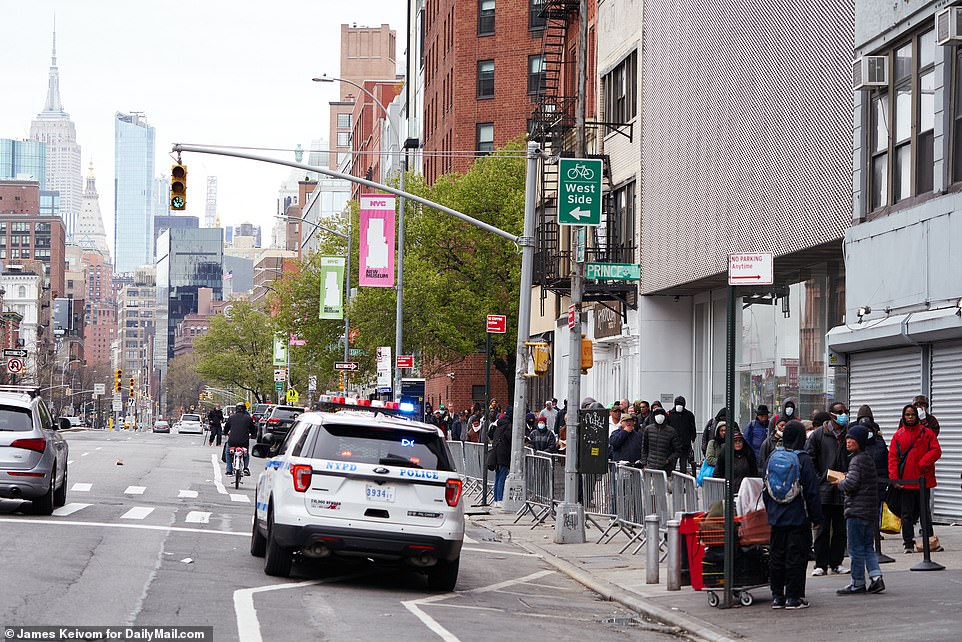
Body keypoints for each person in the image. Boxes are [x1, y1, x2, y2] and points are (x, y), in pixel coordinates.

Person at [765, 420, 823, 610]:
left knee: (777, 556)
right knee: (796, 557)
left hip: (776, 517)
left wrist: (771, 511)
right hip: (798, 516)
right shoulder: (803, 459)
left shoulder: (773, 456)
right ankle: (793, 597)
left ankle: (777, 596)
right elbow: (812, 492)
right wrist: (816, 518)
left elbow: (766, 487)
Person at [833, 424, 885, 595]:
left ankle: (857, 582)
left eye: (852, 439)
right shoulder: (867, 458)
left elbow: (851, 483)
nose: (848, 441)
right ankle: (876, 578)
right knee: (867, 547)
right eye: (847, 438)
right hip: (869, 510)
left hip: (857, 510)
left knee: (855, 548)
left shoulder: (856, 460)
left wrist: (840, 482)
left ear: (860, 441)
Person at [889, 403, 942, 553]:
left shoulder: (927, 433)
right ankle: (908, 543)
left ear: (917, 416)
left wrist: (923, 463)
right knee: (906, 514)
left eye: (912, 414)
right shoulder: (898, 435)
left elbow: (936, 450)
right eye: (907, 415)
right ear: (903, 417)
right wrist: (894, 478)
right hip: (906, 482)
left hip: (922, 480)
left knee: (925, 512)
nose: (910, 417)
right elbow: (892, 458)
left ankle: (930, 541)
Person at [806, 402, 851, 576]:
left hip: (843, 488)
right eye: (840, 412)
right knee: (822, 529)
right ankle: (820, 564)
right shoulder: (818, 435)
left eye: (846, 412)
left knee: (840, 529)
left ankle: (836, 562)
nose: (844, 415)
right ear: (831, 415)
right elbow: (810, 458)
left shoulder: (849, 434)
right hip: (824, 490)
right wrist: (820, 478)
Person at [641, 407, 686, 474]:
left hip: (665, 469)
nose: (659, 416)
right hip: (650, 467)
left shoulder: (671, 431)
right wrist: (644, 464)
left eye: (661, 414)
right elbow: (644, 448)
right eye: (657, 414)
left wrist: (668, 460)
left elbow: (678, 450)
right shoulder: (648, 429)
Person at [713, 428, 758, 494]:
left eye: (740, 441)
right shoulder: (725, 453)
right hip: (728, 491)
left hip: (745, 491)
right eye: (735, 441)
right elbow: (718, 473)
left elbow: (754, 473)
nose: (738, 443)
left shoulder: (749, 453)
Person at [667, 396, 697, 474]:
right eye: (677, 404)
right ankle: (671, 479)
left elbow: (692, 428)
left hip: (685, 445)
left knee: (683, 465)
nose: (679, 406)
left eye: (681, 404)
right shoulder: (670, 414)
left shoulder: (689, 415)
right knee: (672, 464)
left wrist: (692, 439)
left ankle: (682, 481)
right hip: (672, 445)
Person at [224, 402, 255, 476]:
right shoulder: (248, 418)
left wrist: (225, 433)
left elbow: (226, 428)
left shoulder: (231, 417)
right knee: (246, 453)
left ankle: (229, 470)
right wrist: (253, 435)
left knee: (228, 452)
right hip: (244, 442)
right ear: (244, 409)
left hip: (232, 441)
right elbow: (253, 429)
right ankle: (246, 468)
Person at [491, 406, 513, 507]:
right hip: (504, 454)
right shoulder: (508, 426)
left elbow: (491, 435)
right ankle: (499, 499)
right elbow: (509, 439)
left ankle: (496, 499)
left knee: (497, 476)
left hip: (496, 453)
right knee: (502, 477)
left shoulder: (498, 425)